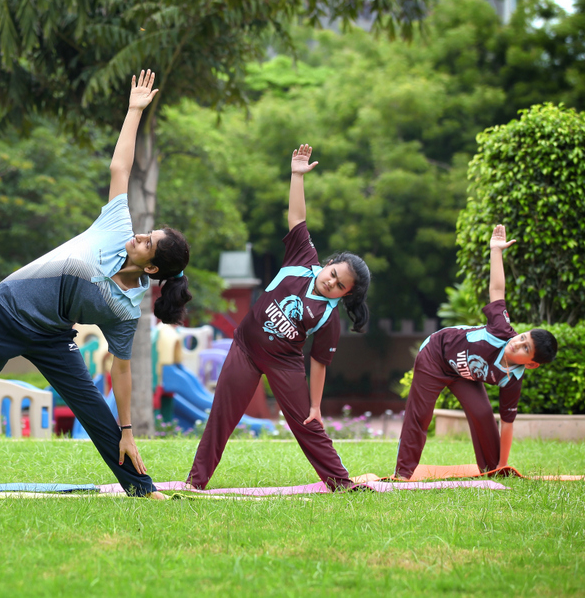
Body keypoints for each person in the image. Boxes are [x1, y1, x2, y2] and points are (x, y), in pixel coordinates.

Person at [0, 70, 192, 499]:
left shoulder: (126, 310)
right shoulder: (117, 227)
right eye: (146, 232)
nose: (140, 236)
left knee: (97, 414)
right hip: (3, 313)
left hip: (52, 337)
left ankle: (142, 490)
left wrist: (128, 430)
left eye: (148, 243)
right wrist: (133, 111)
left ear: (152, 270)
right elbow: (121, 166)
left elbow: (121, 367)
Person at [186, 144, 370, 491]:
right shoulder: (303, 257)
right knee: (222, 416)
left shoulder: (329, 317)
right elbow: (297, 218)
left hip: (284, 363)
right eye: (333, 273)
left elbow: (318, 363)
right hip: (245, 347)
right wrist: (296, 175)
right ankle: (196, 482)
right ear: (328, 263)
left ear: (345, 294)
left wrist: (315, 405)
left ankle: (340, 482)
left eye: (340, 286)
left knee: (306, 423)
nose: (332, 282)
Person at [394, 225, 558, 479]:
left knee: (483, 414)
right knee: (421, 414)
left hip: (463, 375)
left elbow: (507, 423)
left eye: (526, 348)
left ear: (532, 363)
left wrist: (504, 464)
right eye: (523, 337)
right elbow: (497, 290)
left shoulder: (512, 379)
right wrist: (495, 251)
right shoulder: (502, 330)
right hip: (435, 355)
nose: (517, 343)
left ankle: (493, 470)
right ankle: (403, 473)